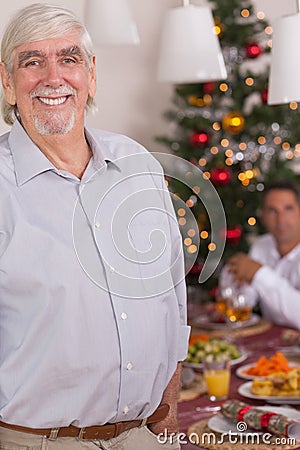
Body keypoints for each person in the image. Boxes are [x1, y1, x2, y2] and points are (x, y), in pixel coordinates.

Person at [0, 4, 190, 449]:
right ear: (8, 83)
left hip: (148, 436)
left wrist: (171, 390)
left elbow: (171, 293)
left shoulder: (137, 162)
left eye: (68, 59)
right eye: (32, 62)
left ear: (91, 75)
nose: (53, 77)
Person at [223, 180, 300, 330]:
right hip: (275, 342)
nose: (281, 219)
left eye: (288, 209)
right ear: (263, 215)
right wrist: (233, 275)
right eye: (272, 210)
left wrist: (258, 273)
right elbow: (245, 300)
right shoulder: (261, 245)